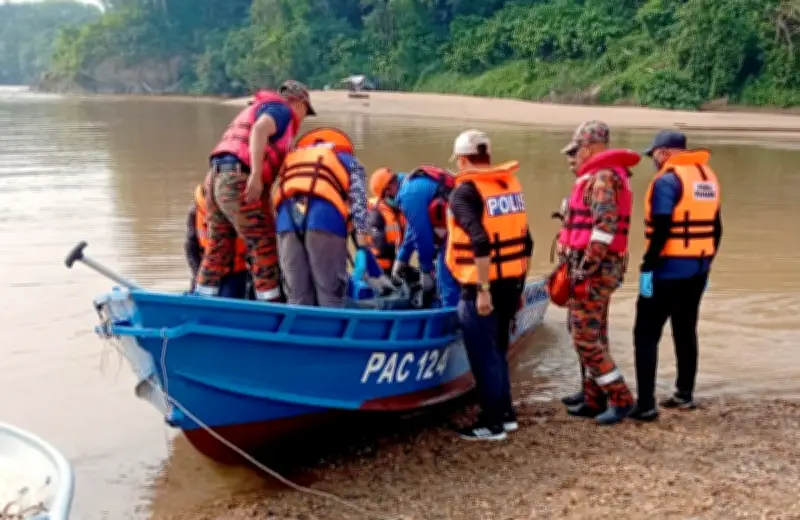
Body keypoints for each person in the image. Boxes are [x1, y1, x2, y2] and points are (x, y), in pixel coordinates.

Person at [445, 129, 533, 440]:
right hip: (511, 283)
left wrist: (482, 290)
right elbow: (527, 240)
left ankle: (492, 423)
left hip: (482, 289)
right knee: (498, 351)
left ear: (464, 159)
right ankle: (506, 415)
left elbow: (479, 241)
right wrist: (520, 287)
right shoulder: (509, 185)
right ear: (488, 157)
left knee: (484, 357)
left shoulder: (464, 193)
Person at [629, 131, 723, 421]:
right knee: (685, 329)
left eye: (654, 154)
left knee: (645, 333)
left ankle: (645, 404)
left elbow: (662, 228)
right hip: (697, 271)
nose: (653, 160)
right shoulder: (707, 179)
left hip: (665, 272)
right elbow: (717, 229)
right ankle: (684, 394)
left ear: (665, 152)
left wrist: (647, 266)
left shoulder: (667, 181)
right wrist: (707, 264)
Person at [194, 80, 314, 302]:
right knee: (263, 246)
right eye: (305, 113)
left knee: (218, 247)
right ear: (299, 103)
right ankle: (271, 307)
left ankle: (200, 301)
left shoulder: (258, 107)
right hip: (237, 178)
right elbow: (259, 130)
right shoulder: (282, 111)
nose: (302, 119)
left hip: (214, 178)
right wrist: (256, 175)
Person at [558, 120, 638, 425]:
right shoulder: (604, 176)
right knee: (593, 329)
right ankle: (593, 397)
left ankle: (620, 398)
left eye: (575, 151)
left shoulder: (603, 178)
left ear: (589, 148)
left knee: (585, 335)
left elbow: (605, 228)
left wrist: (584, 268)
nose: (573, 158)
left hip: (595, 269)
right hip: (598, 267)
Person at [272, 127, 371, 307]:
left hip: (285, 222)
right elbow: (359, 203)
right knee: (330, 294)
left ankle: (300, 333)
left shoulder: (292, 159)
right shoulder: (350, 161)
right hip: (324, 220)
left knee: (297, 296)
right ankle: (331, 333)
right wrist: (362, 244)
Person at [392, 164, 459, 307]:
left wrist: (426, 270)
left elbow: (422, 235)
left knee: (444, 275)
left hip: (458, 228)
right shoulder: (415, 184)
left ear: (388, 189)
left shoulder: (407, 194)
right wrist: (402, 259)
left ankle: (451, 320)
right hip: (459, 223)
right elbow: (413, 229)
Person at [185, 180, 252, 299]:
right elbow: (191, 247)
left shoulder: (237, 210)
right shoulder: (195, 212)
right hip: (203, 269)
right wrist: (197, 274)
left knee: (229, 295)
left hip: (235, 272)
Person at [367, 167, 406, 274]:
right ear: (386, 191)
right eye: (393, 182)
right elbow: (380, 247)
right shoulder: (376, 214)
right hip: (381, 270)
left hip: (396, 264)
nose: (397, 184)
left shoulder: (399, 208)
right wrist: (406, 248)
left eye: (395, 180)